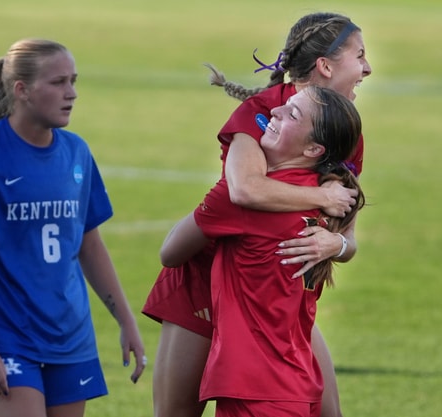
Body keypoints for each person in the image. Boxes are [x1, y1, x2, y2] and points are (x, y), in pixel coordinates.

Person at [142, 12, 372, 417]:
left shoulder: (343, 130)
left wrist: (335, 243)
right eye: (360, 56)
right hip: (206, 276)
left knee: (326, 410)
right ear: (326, 65)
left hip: (274, 293)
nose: (367, 68)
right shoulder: (263, 113)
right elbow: (244, 190)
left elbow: (346, 239)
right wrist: (320, 200)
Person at [0, 38, 146, 417]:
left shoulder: (77, 153)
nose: (72, 93)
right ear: (22, 90)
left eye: (73, 81)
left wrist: (126, 320)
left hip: (69, 336)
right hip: (4, 337)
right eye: (58, 82)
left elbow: (90, 246)